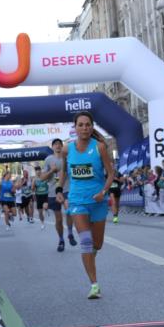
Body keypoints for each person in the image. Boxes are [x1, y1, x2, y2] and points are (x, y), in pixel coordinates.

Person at [57, 111, 116, 299]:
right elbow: (64, 172)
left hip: (98, 202)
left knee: (97, 244)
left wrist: (103, 192)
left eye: (87, 124)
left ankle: (92, 256)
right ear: (75, 128)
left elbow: (111, 174)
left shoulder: (99, 147)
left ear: (92, 127)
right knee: (86, 243)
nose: (84, 128)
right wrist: (59, 188)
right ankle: (94, 285)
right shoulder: (67, 149)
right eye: (80, 125)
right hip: (77, 201)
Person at [40, 138, 77, 252]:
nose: (57, 146)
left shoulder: (68, 158)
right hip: (52, 192)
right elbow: (42, 178)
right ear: (52, 147)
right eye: (55, 144)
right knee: (59, 220)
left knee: (69, 210)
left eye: (59, 144)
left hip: (67, 189)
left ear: (62, 146)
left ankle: (70, 233)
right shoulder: (48, 160)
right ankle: (61, 240)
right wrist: (51, 171)